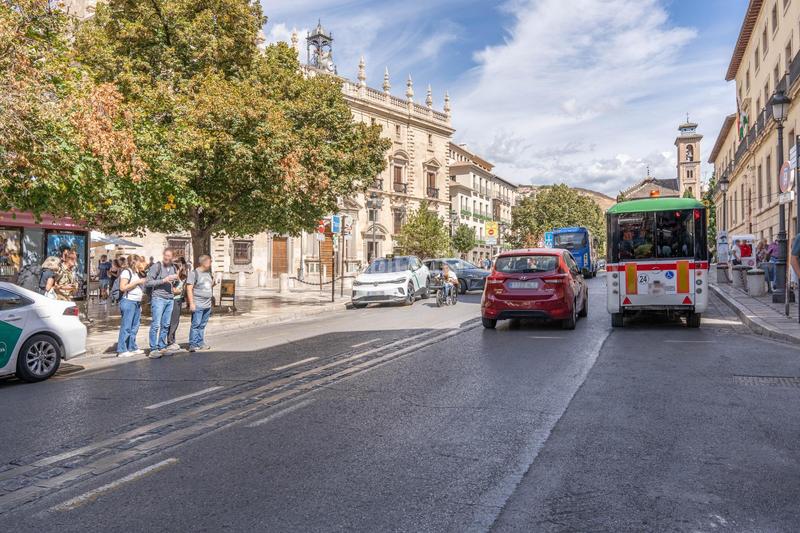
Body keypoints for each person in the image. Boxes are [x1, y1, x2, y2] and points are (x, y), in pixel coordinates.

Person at [146, 249, 179, 359]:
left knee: (166, 324)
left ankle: (162, 346)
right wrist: (164, 280)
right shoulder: (157, 266)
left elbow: (175, 282)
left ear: (172, 257)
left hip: (170, 298)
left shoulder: (174, 267)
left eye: (169, 256)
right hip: (158, 298)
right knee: (156, 324)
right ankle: (153, 349)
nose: (166, 257)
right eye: (165, 255)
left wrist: (176, 280)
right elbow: (148, 282)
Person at [117, 255, 148, 357]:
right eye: (139, 262)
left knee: (135, 326)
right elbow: (122, 287)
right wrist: (137, 282)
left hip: (136, 302)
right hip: (128, 301)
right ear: (134, 262)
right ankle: (122, 349)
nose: (141, 263)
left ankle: (132, 347)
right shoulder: (127, 272)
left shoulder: (136, 273)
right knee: (126, 326)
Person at [186, 255, 214, 352]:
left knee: (202, 325)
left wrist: (215, 282)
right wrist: (191, 303)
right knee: (196, 324)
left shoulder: (208, 273)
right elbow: (189, 288)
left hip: (207, 304)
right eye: (210, 261)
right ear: (204, 262)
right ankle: (193, 344)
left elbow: (209, 285)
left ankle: (200, 342)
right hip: (198, 303)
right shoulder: (194, 273)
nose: (211, 263)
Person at [166, 258, 188, 349]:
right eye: (179, 264)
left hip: (179, 300)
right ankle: (170, 341)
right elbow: (169, 289)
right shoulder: (173, 275)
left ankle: (172, 339)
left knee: (175, 321)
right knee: (172, 321)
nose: (181, 266)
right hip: (172, 299)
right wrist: (177, 291)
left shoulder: (183, 275)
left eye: (182, 264)